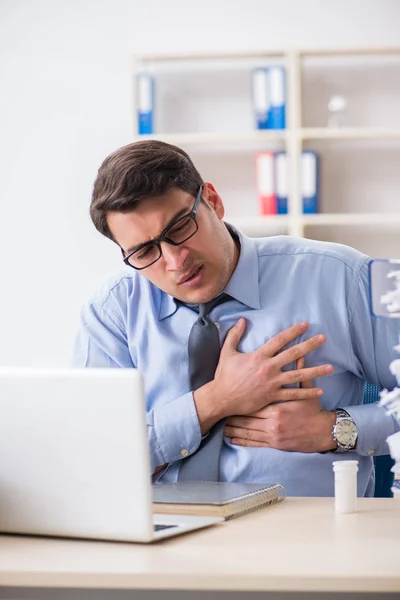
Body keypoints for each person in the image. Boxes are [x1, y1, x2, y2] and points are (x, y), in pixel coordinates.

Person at [72, 139, 399, 496]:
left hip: (305, 536)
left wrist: (332, 430)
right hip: (162, 531)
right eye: (145, 251)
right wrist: (214, 401)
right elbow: (93, 453)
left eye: (180, 228)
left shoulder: (349, 276)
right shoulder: (111, 309)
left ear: (213, 200)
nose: (175, 261)